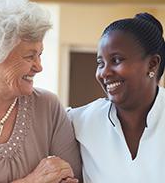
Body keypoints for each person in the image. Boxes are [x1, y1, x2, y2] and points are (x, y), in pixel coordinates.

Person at [0, 0, 82, 183]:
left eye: (40, 55)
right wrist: (33, 180)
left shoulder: (48, 107)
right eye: (29, 56)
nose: (39, 66)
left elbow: (70, 178)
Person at [68, 12, 165, 183]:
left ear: (152, 64)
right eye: (100, 63)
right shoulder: (78, 122)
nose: (104, 72)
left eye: (116, 60)